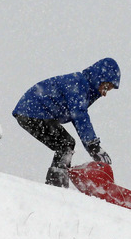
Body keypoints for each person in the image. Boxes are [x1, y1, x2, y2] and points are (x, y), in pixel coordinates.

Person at [12, 58, 120, 188]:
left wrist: (91, 146)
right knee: (65, 144)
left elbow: (78, 117)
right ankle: (57, 185)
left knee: (65, 144)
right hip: (32, 111)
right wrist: (93, 146)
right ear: (99, 78)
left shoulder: (83, 87)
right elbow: (80, 116)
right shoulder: (78, 84)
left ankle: (57, 181)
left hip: (31, 112)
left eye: (108, 90)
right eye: (106, 87)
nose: (104, 94)